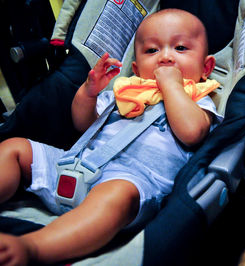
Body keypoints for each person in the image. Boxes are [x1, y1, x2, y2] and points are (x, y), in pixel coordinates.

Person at [0, 8, 222, 265]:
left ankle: (33, 247)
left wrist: (172, 86)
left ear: (206, 67)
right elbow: (83, 124)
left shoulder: (198, 100)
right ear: (137, 68)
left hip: (131, 182)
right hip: (75, 165)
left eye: (180, 48)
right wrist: (88, 92)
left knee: (115, 197)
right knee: (14, 149)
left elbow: (193, 133)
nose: (165, 58)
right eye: (152, 50)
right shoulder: (125, 92)